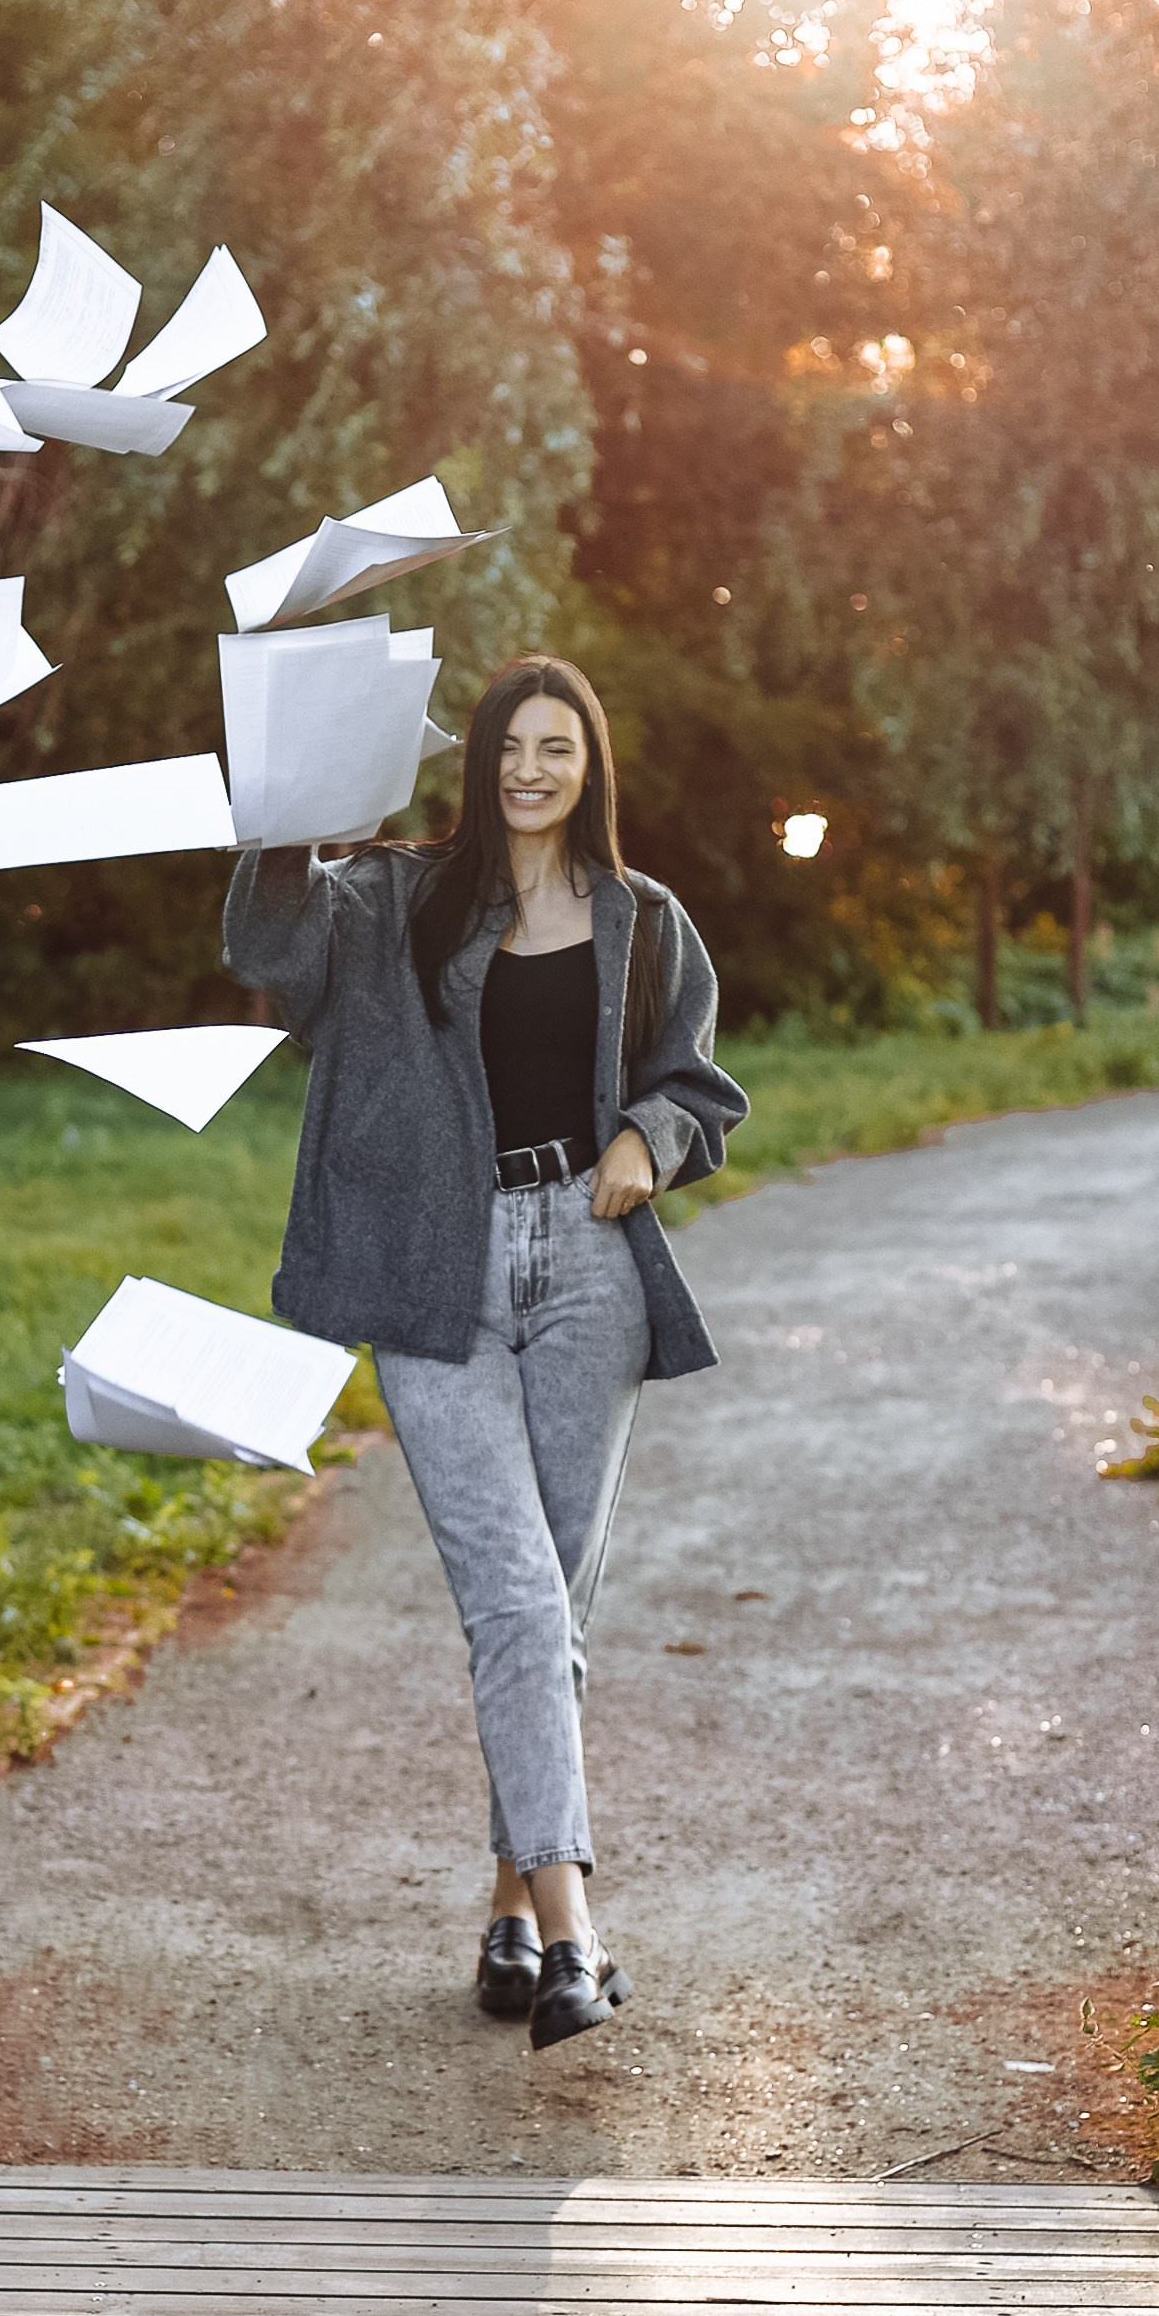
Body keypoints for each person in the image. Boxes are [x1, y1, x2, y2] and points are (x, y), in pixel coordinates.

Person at [224, 653, 748, 2050]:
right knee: (518, 1596)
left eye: (556, 748)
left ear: (591, 767)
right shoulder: (399, 898)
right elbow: (270, 953)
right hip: (433, 1276)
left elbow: (701, 1080)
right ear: (478, 760)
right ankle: (578, 1942)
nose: (530, 769)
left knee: (549, 1610)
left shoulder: (646, 918)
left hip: (588, 1262)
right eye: (512, 744)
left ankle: (510, 1905)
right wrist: (282, 815)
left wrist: (652, 1136)